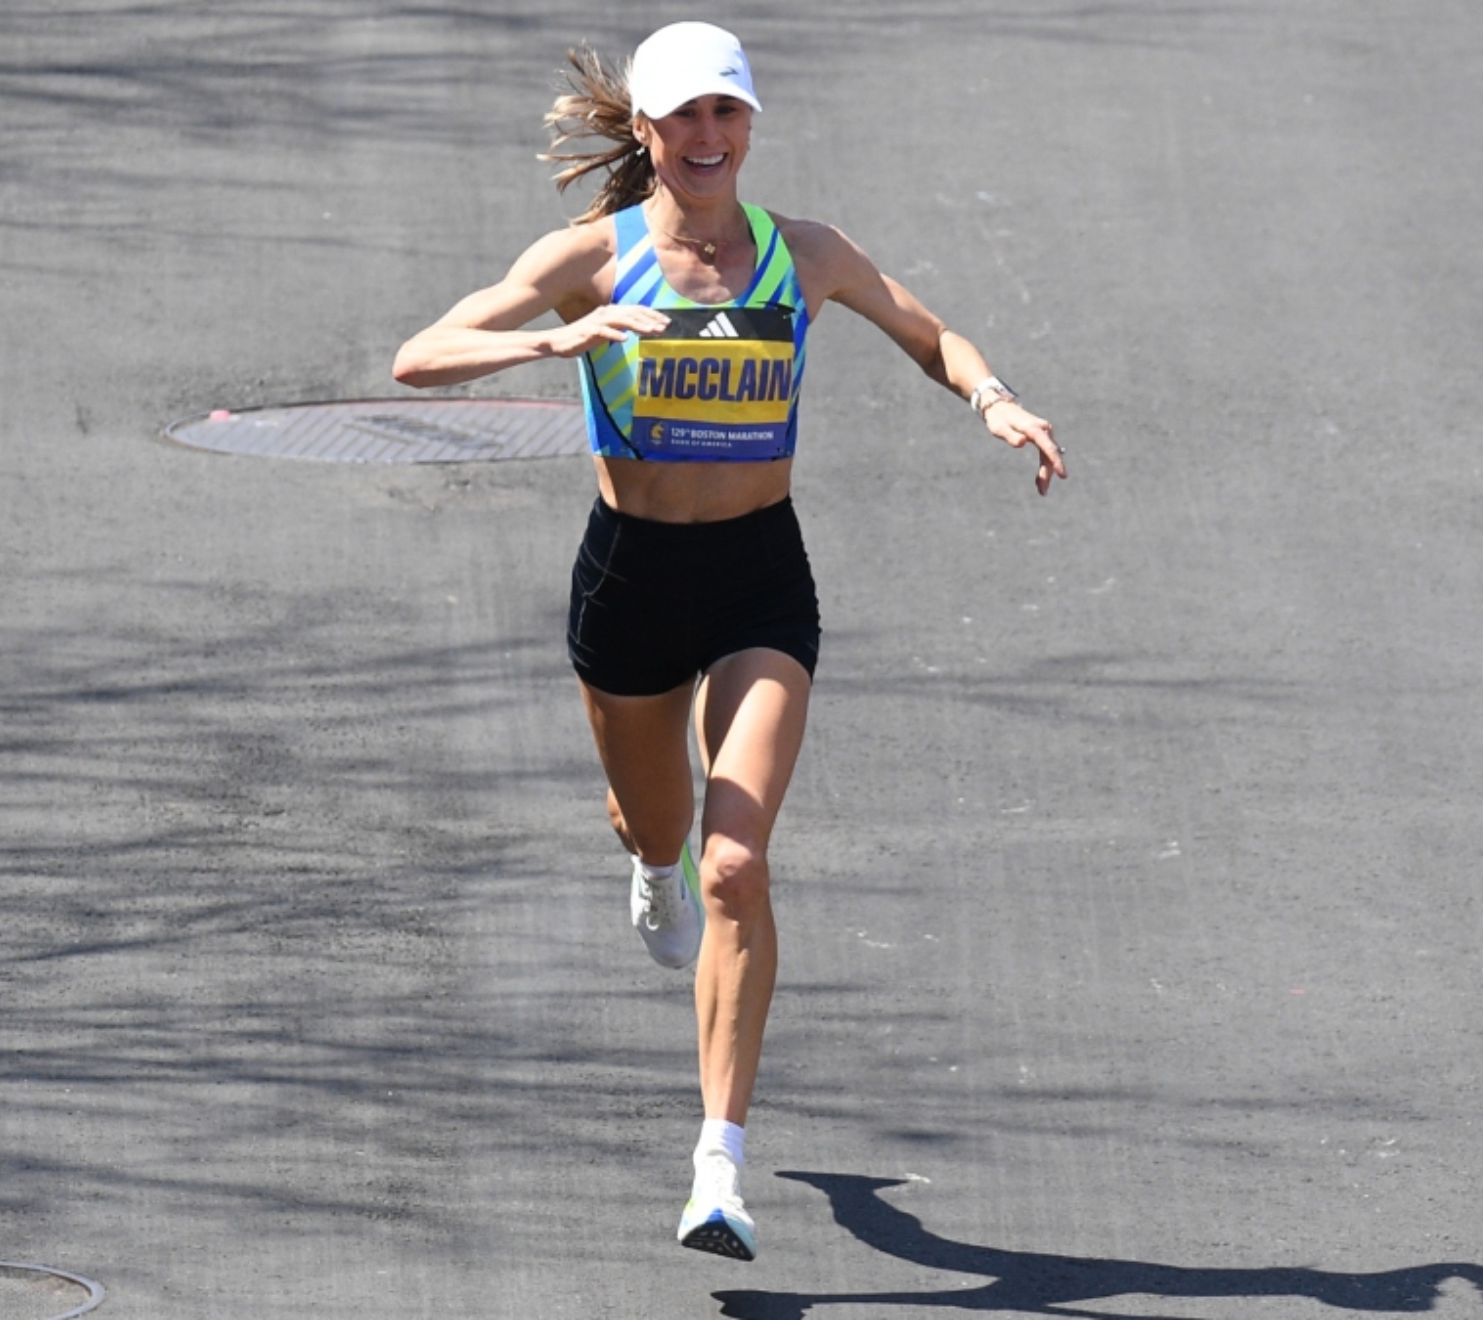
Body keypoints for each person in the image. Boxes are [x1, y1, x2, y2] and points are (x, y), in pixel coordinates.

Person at [392, 20, 1063, 1262]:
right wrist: (559, 337)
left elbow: (931, 334)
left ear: (749, 128)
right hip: (631, 584)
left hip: (761, 582)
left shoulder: (804, 255)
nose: (708, 138)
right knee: (661, 834)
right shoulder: (591, 258)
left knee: (734, 863)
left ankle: (719, 1164)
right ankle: (643, 852)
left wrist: (994, 396)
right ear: (643, 133)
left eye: (728, 116)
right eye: (684, 118)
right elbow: (419, 356)